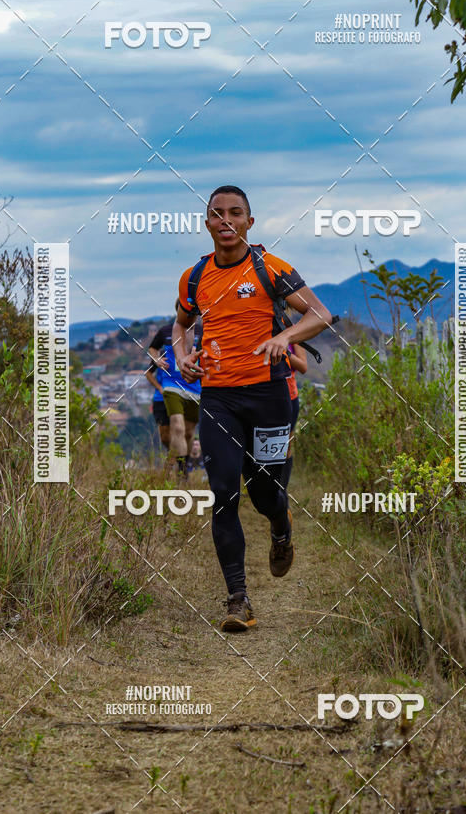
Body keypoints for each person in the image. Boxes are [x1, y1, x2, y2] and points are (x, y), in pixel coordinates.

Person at [172, 185, 332, 631]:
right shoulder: (193, 278)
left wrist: (285, 336)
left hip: (269, 397)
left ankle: (280, 527)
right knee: (223, 494)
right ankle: (237, 600)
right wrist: (183, 355)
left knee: (264, 494)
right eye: (217, 214)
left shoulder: (271, 269)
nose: (226, 221)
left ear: (249, 222)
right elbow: (180, 324)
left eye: (235, 213)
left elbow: (319, 314)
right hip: (219, 398)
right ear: (207, 223)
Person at [147, 309, 201, 477]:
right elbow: (150, 360)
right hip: (170, 388)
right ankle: (182, 472)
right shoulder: (165, 334)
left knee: (187, 433)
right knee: (173, 430)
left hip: (195, 389)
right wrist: (160, 386)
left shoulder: (203, 331)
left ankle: (176, 465)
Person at [282, 339, 307, 491]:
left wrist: (283, 351)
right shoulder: (259, 324)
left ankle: (282, 495)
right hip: (261, 396)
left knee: (286, 449)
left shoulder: (294, 331)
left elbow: (303, 366)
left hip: (289, 396)